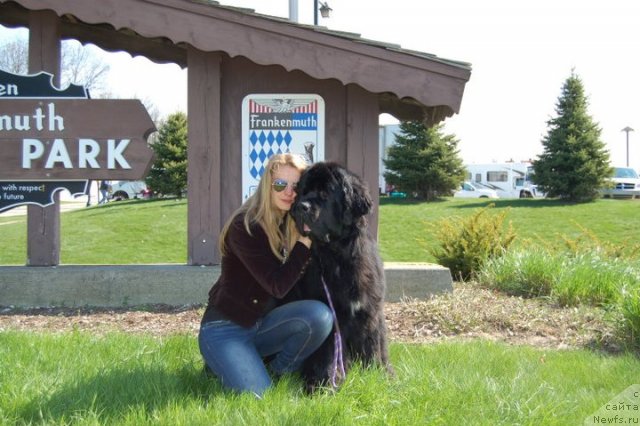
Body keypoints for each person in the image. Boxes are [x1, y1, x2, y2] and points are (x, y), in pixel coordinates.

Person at [198, 153, 333, 397]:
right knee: (260, 397)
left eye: (296, 186)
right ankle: (219, 363)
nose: (288, 192)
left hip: (262, 326)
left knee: (319, 316)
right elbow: (277, 285)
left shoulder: (289, 224)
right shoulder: (245, 225)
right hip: (225, 329)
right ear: (266, 186)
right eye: (280, 184)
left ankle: (278, 372)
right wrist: (303, 243)